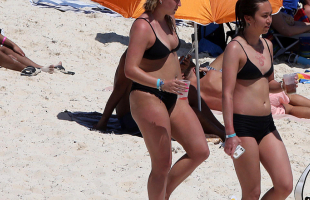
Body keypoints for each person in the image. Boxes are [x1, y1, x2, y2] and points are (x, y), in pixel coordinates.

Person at [123, 0, 209, 200]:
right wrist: (161, 84)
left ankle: (163, 198)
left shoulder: (169, 21)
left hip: (175, 93)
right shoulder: (142, 26)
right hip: (148, 95)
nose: (179, 4)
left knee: (200, 150)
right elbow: (129, 69)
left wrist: (181, 68)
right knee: (161, 163)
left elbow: (166, 56)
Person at [222, 0, 293, 200]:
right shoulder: (235, 49)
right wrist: (229, 133)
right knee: (251, 192)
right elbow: (226, 94)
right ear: (248, 19)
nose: (270, 20)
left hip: (266, 124)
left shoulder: (267, 45)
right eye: (264, 16)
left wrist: (285, 86)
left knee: (284, 184)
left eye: (270, 14)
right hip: (241, 125)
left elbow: (267, 84)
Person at [94, 46, 226, 139]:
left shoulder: (162, 52)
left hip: (155, 103)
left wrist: (181, 68)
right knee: (191, 112)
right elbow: (119, 89)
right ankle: (223, 135)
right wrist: (103, 121)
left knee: (191, 92)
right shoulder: (133, 55)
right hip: (132, 116)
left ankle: (221, 129)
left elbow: (167, 80)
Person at [191, 52, 310, 123]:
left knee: (289, 110)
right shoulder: (212, 75)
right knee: (289, 97)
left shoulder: (193, 97)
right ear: (194, 70)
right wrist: (211, 69)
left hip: (247, 109)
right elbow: (229, 56)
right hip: (254, 93)